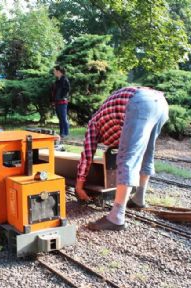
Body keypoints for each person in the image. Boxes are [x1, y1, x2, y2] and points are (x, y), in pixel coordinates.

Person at [75, 87, 169, 231]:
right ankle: (138, 198)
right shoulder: (111, 119)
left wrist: (79, 185)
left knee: (126, 158)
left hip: (139, 102)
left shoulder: (93, 124)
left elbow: (87, 155)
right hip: (161, 103)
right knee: (146, 154)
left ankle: (116, 217)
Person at [52, 65, 70, 140]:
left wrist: (62, 97)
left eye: (54, 71)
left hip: (62, 101)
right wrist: (53, 100)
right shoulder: (57, 81)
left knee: (63, 117)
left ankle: (65, 133)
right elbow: (54, 91)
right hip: (57, 102)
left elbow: (67, 89)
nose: (53, 72)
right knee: (60, 118)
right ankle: (61, 133)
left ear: (58, 71)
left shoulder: (65, 80)